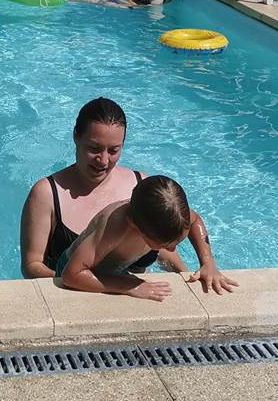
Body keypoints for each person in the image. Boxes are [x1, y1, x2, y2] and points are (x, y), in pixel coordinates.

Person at [19, 98, 236, 299]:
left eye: (114, 150)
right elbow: (33, 266)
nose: (103, 160)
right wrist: (116, 288)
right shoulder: (47, 193)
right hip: (77, 287)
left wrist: (200, 268)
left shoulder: (143, 187)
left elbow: (167, 243)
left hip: (128, 279)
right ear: (76, 136)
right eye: (94, 149)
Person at [57, 175, 237, 301]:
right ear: (135, 225)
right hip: (83, 268)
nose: (173, 249)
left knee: (179, 271)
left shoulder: (173, 213)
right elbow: (71, 275)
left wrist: (208, 263)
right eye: (166, 244)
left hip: (123, 262)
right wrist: (129, 286)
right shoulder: (115, 226)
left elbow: (195, 220)